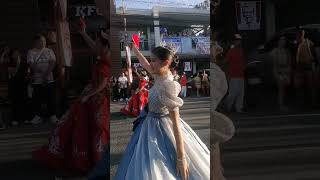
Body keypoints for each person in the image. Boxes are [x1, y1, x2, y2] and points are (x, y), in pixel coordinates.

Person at [115, 44, 210, 180]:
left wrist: (181, 159)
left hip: (163, 128)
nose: (150, 63)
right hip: (149, 125)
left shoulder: (169, 86)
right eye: (151, 60)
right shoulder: (158, 75)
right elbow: (144, 62)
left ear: (165, 62)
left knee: (158, 166)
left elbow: (176, 124)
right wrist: (134, 49)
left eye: (154, 60)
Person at [32, 28, 110, 177]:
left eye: (99, 43)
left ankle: (98, 161)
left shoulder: (107, 56)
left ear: (105, 46)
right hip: (92, 95)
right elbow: (94, 47)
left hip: (99, 98)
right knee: (79, 126)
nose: (96, 45)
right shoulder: (102, 53)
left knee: (97, 129)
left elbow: (104, 83)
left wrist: (89, 94)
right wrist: (83, 32)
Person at [27, 34, 59, 124]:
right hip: (37, 80)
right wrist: (41, 74)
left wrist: (47, 74)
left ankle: (52, 115)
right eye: (41, 41)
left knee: (51, 98)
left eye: (44, 41)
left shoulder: (49, 51)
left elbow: (53, 63)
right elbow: (31, 64)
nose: (43, 42)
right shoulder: (31, 52)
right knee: (37, 99)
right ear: (36, 42)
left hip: (49, 79)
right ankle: (38, 116)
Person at [7, 49, 30, 126]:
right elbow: (13, 73)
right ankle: (15, 119)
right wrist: (17, 64)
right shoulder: (10, 64)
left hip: (23, 85)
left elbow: (27, 73)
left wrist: (28, 76)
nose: (16, 55)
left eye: (17, 53)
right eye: (15, 54)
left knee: (24, 101)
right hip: (14, 85)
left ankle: (25, 118)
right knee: (15, 102)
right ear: (12, 56)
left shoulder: (24, 64)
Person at [270, 36, 292, 112]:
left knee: (285, 87)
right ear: (278, 41)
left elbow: (289, 63)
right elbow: (274, 65)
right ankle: (281, 105)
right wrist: (278, 74)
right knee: (281, 88)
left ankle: (284, 104)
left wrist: (287, 71)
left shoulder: (287, 51)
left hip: (286, 71)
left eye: (284, 40)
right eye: (281, 40)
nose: (283, 41)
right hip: (278, 72)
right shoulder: (274, 51)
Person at [225, 34, 245, 113]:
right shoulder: (231, 51)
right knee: (233, 93)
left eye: (239, 40)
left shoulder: (241, 51)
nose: (238, 42)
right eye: (236, 40)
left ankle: (239, 108)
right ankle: (227, 106)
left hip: (241, 75)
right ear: (234, 41)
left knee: (240, 94)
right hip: (233, 75)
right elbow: (226, 62)